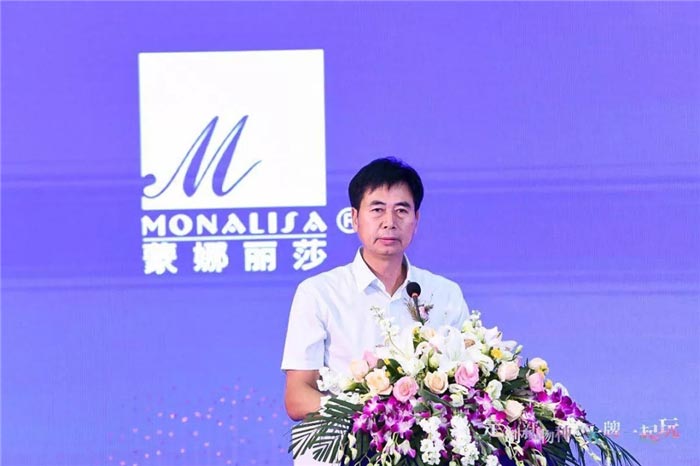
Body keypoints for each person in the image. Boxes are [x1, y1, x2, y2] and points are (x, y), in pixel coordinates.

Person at [281, 157, 469, 465]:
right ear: (355, 218)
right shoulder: (319, 293)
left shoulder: (445, 293)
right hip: (342, 455)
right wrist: (372, 414)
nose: (389, 222)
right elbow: (297, 397)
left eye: (401, 210)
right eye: (377, 209)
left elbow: (467, 388)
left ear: (416, 219)